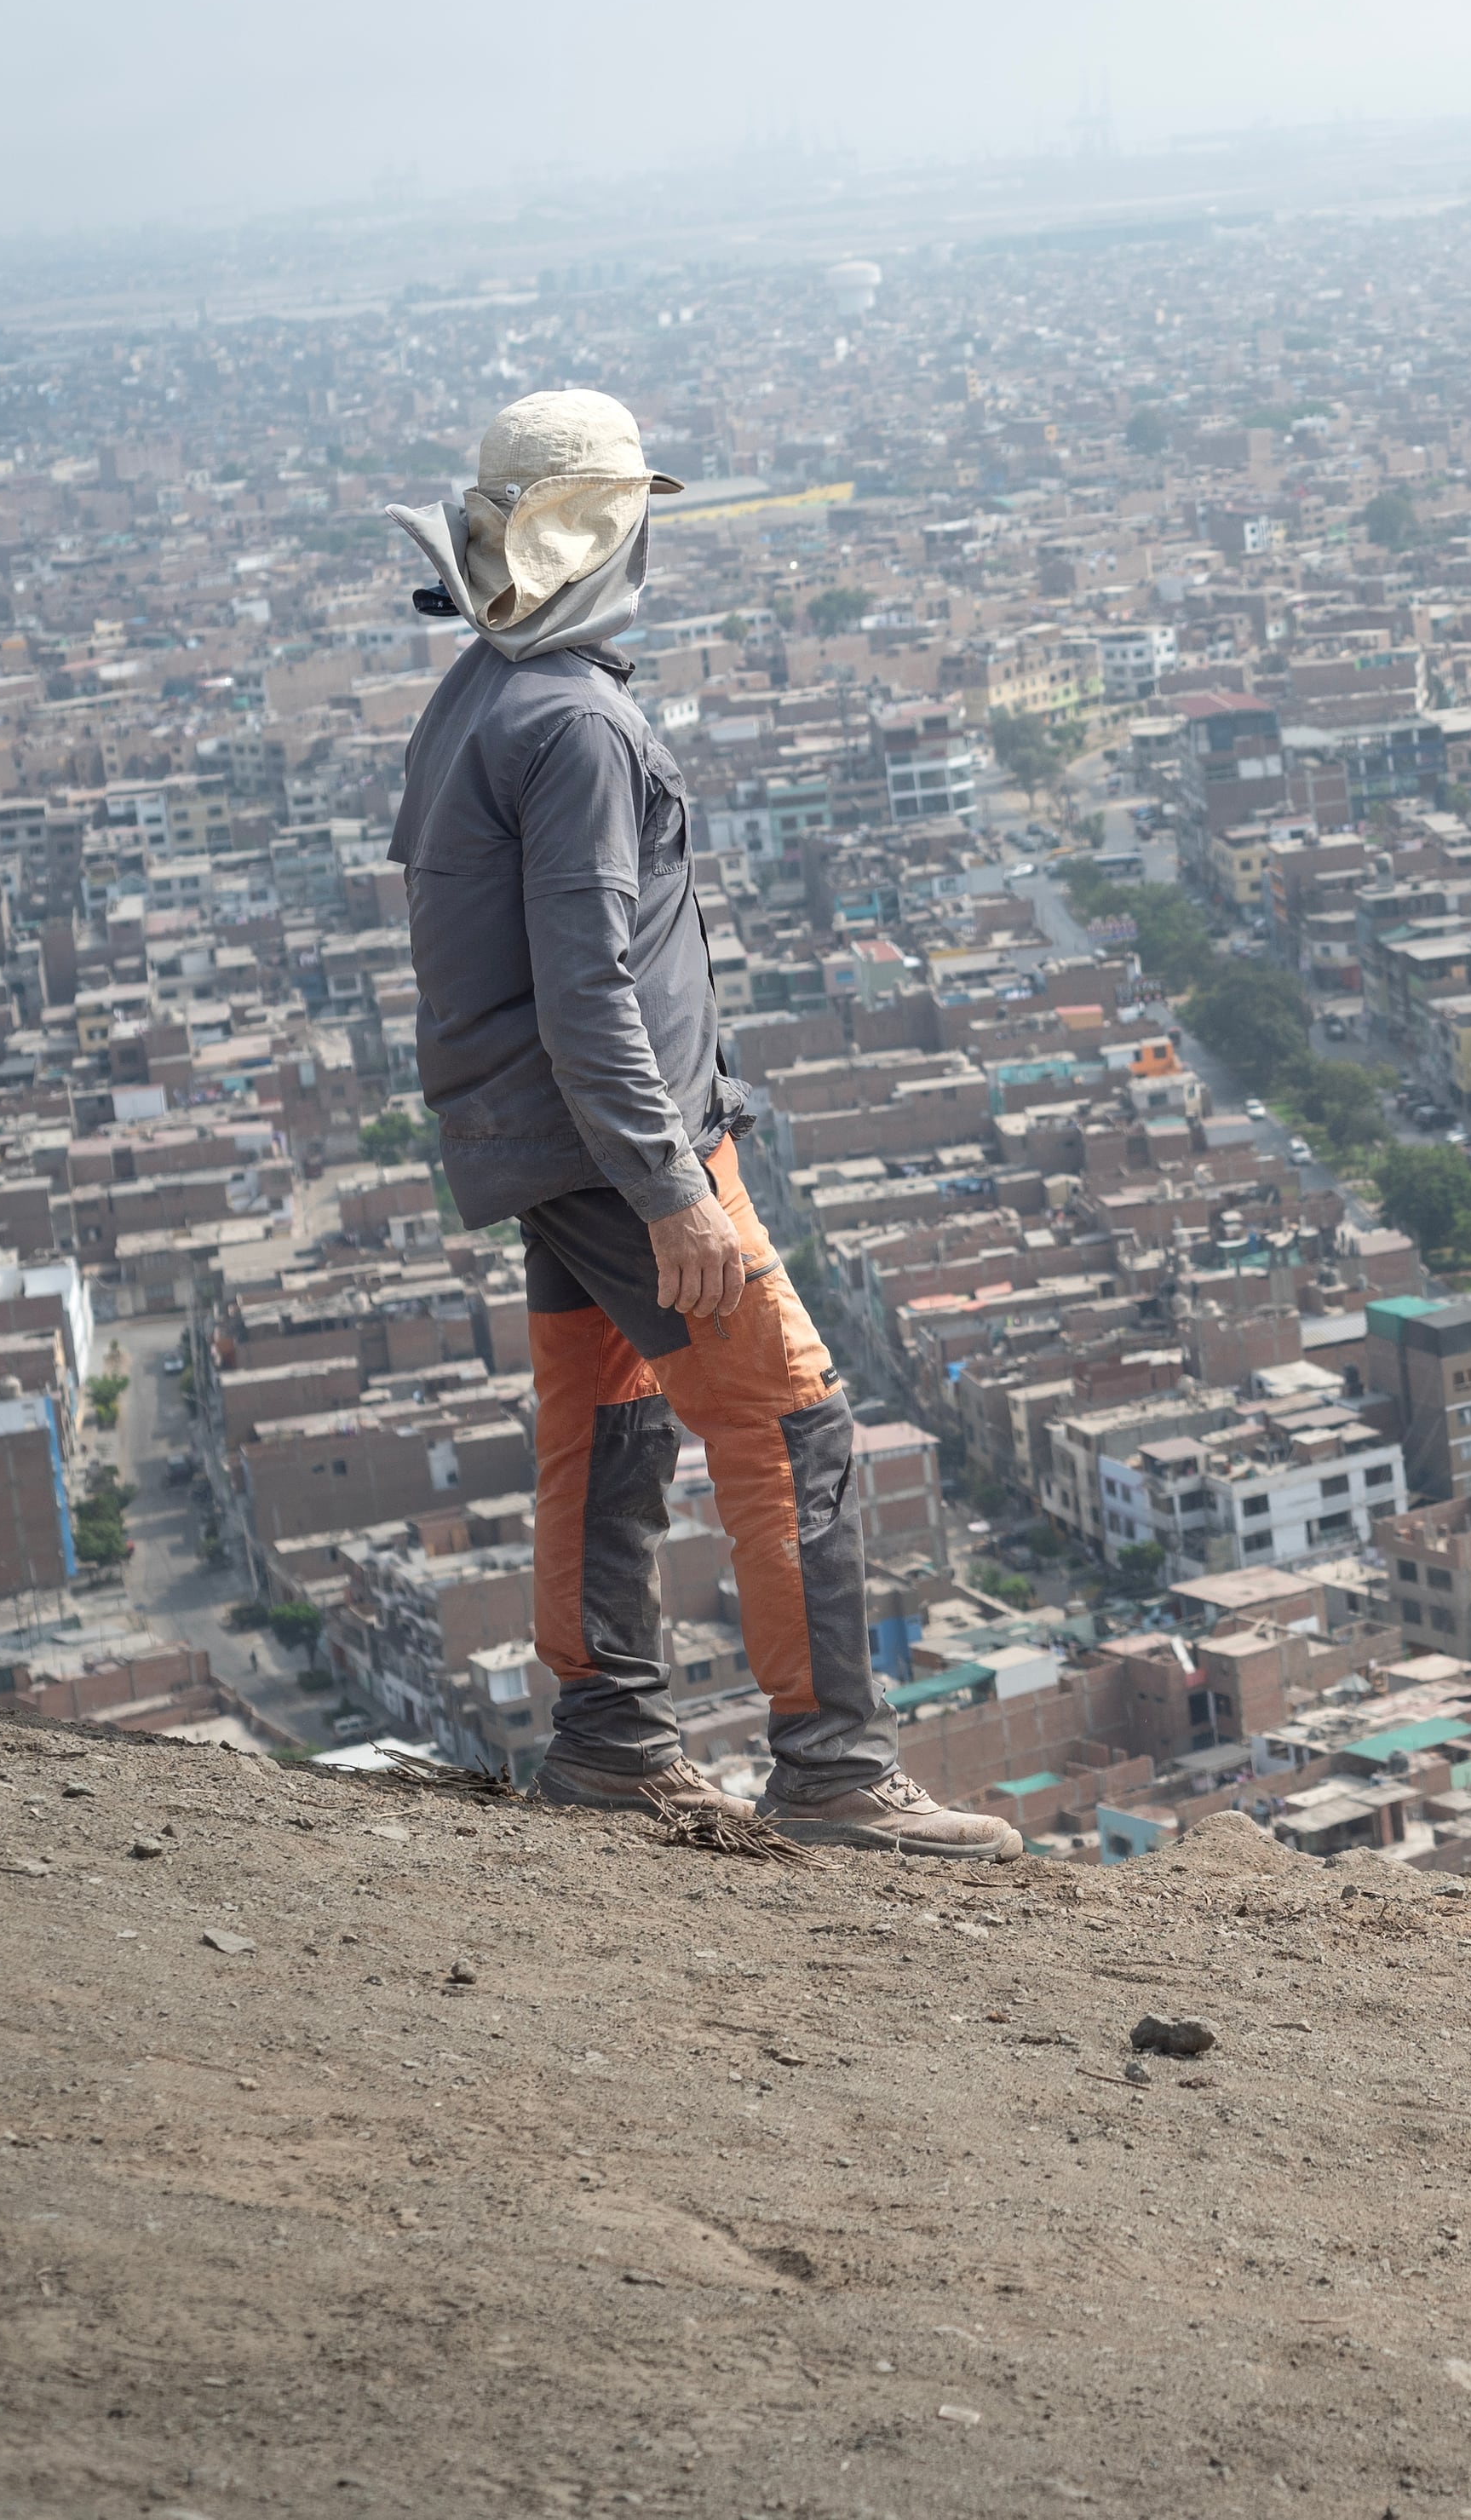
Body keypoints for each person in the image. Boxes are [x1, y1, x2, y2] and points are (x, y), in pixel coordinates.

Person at [388, 389, 1017, 1860]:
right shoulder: (574, 721)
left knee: (601, 1419)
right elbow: (588, 985)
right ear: (608, 534)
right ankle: (835, 1768)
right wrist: (673, 1189)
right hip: (624, 1144)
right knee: (792, 1422)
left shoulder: (486, 691)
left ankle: (610, 1739)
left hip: (544, 1142)